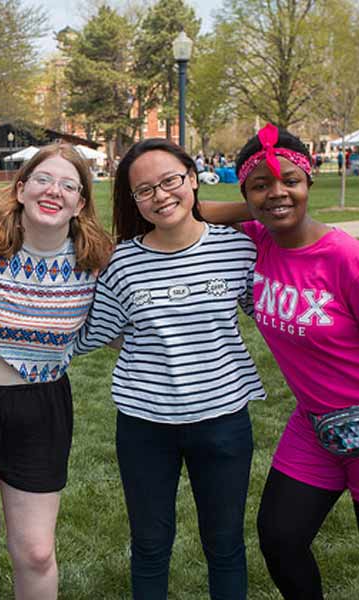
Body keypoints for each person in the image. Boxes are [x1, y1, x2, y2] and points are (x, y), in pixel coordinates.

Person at [204, 123, 359, 599]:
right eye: (262, 185)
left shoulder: (351, 261)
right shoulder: (261, 238)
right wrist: (265, 204)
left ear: (310, 183)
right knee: (280, 538)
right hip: (313, 426)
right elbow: (195, 210)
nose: (279, 194)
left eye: (291, 182)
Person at [74, 138, 266, 600]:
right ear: (134, 201)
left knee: (224, 545)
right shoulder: (120, 263)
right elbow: (92, 332)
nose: (160, 196)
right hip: (144, 427)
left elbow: (274, 318)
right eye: (145, 190)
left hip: (223, 421)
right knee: (150, 545)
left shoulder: (236, 251)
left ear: (193, 179)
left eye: (170, 181)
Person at [0, 144, 114, 599]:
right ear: (21, 190)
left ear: (80, 203)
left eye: (68, 185)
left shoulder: (93, 263)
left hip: (40, 408)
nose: (53, 191)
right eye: (42, 179)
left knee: (36, 550)